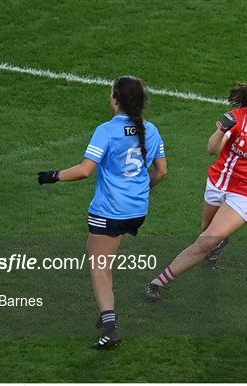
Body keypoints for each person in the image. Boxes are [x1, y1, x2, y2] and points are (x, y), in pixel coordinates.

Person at [38, 76, 167, 349]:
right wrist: (141, 191)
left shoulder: (107, 131)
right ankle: (107, 316)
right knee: (106, 259)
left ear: (115, 99)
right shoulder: (152, 130)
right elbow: (161, 171)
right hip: (137, 210)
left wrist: (53, 175)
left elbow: (85, 170)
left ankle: (110, 327)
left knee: (98, 267)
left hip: (110, 211)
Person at [145, 81, 247, 301]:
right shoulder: (236, 119)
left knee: (205, 241)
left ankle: (157, 283)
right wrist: (221, 130)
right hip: (219, 182)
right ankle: (219, 244)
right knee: (206, 230)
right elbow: (211, 150)